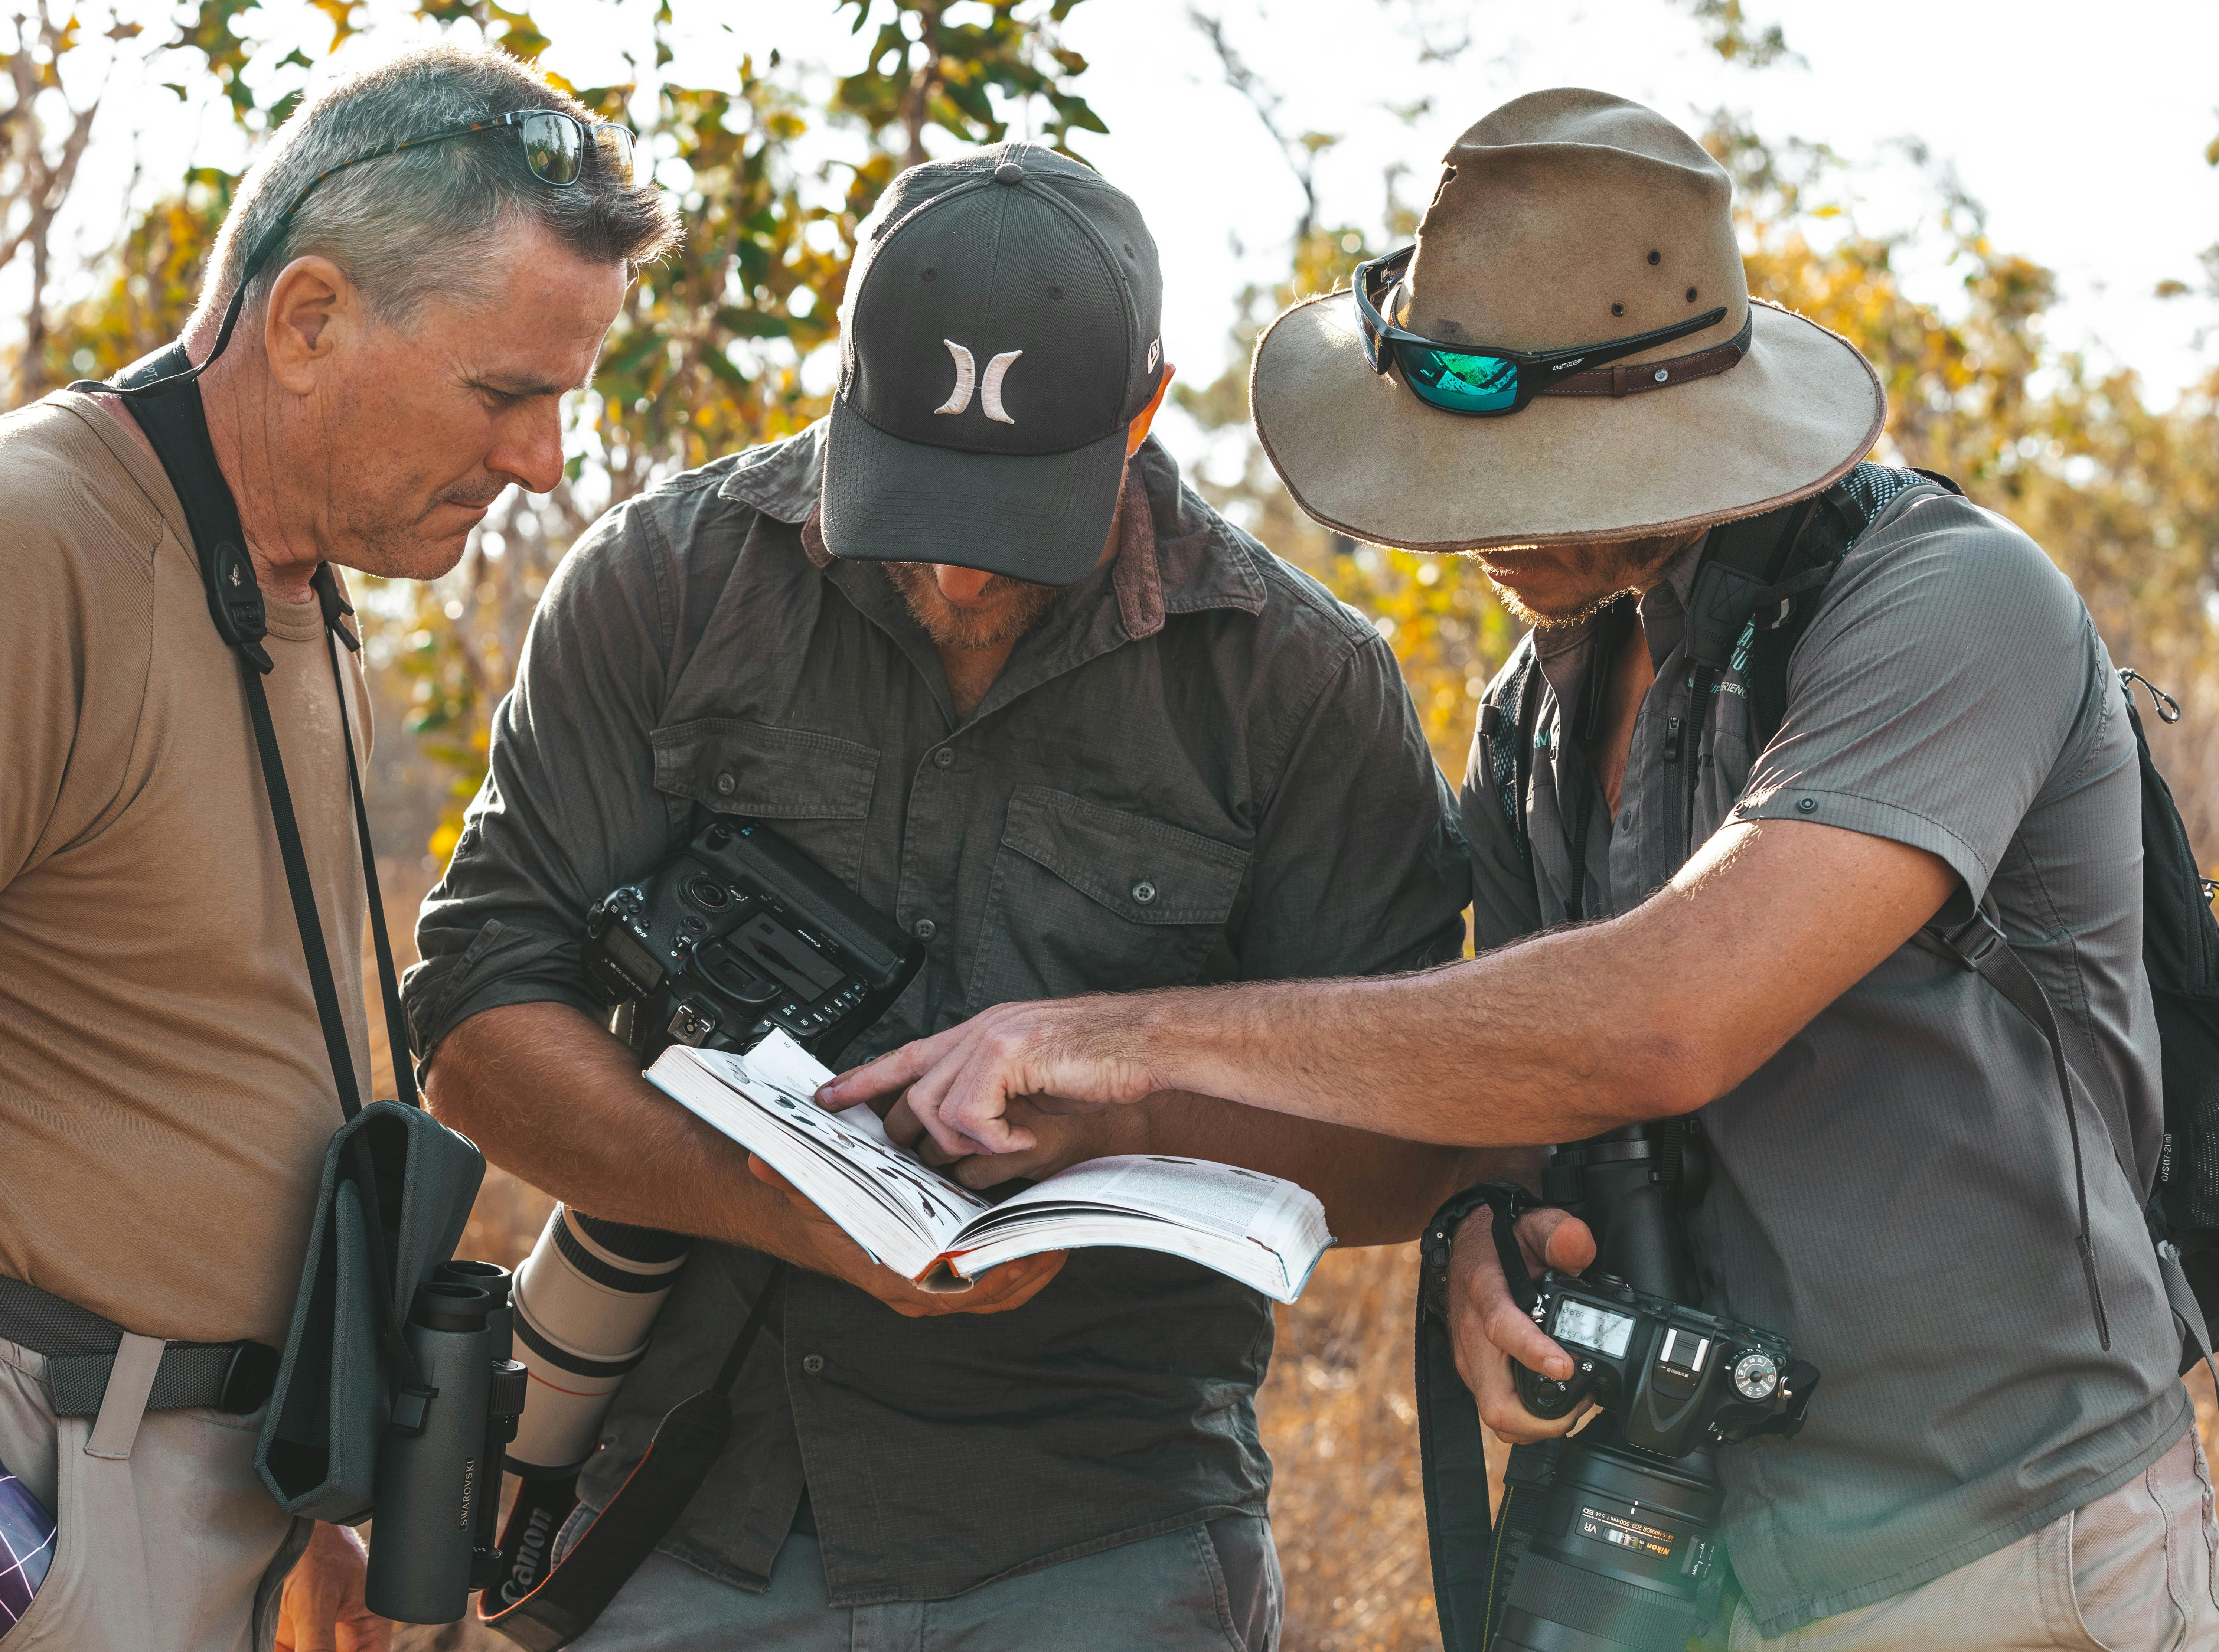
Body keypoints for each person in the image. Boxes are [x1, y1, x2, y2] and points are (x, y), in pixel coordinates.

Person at [825, 91, 2219, 1651]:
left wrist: (1117, 1035)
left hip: (2019, 1558)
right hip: (1706, 1567)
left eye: (1547, 471)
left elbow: (1664, 1016)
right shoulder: (1534, 710)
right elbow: (1529, 1075)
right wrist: (1485, 1226)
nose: (1475, 532)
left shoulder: (1952, 607)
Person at [405, 141, 1484, 1651]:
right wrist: (777, 1205)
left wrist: (1126, 1104)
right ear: (841, 383)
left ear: (1146, 409)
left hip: (1098, 1533)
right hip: (682, 1508)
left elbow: (1414, 1147)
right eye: (918, 507)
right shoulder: (667, 586)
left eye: (1019, 523)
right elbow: (472, 1013)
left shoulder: (1296, 687)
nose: (967, 583)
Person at [0, 43, 676, 1652]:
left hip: (206, 1484)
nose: (541, 462)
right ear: (309, 319)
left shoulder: (289, 583)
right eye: (504, 394)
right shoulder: (5, 553)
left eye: (563, 400)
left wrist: (312, 1512)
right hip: (16, 1490)